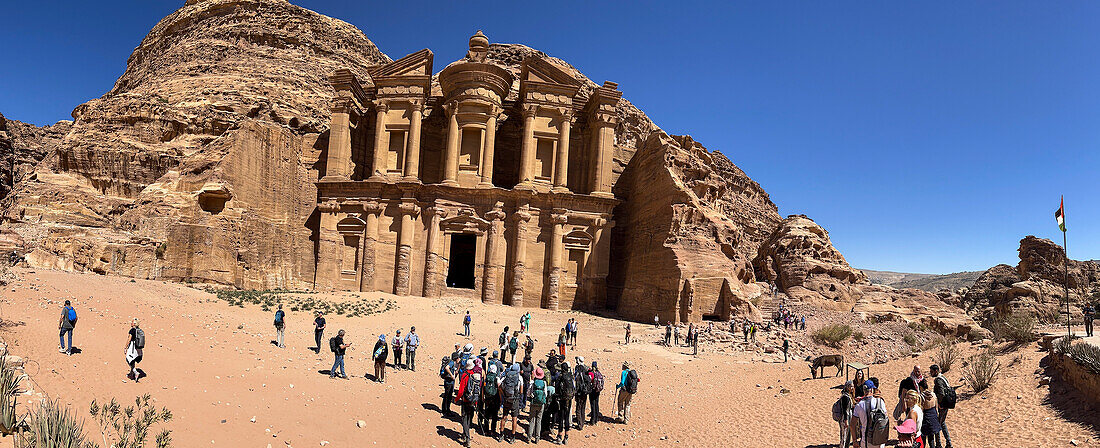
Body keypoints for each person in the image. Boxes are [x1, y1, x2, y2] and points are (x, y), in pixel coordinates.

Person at [850, 379, 887, 448]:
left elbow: (852, 424)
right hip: (879, 439)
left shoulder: (859, 405)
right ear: (871, 390)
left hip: (866, 441)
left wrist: (855, 441)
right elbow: (885, 418)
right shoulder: (880, 402)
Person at [930, 365, 954, 448]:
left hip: (943, 405)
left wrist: (940, 404)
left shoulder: (938, 380)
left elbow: (941, 393)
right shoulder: (943, 377)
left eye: (932, 372)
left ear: (936, 371)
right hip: (947, 404)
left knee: (937, 425)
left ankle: (938, 444)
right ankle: (948, 443)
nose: (931, 373)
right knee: (942, 423)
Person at [456, 360, 479, 447]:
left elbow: (461, 390)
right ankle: (465, 433)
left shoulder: (465, 375)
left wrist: (457, 399)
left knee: (464, 418)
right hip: (473, 400)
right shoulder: (475, 375)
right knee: (469, 417)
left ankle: (467, 438)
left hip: (466, 400)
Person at [499, 363, 524, 443]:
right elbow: (521, 391)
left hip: (506, 399)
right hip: (515, 400)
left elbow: (499, 386)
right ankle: (512, 436)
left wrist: (504, 395)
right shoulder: (519, 378)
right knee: (514, 418)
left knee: (504, 416)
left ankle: (501, 435)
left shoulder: (506, 376)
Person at [553, 361, 574, 444]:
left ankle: (559, 436)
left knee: (561, 418)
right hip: (569, 399)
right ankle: (566, 438)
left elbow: (557, 388)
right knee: (567, 417)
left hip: (562, 399)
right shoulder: (570, 376)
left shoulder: (561, 376)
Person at [527, 367, 548, 444]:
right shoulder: (544, 383)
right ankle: (537, 438)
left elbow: (528, 393)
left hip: (533, 403)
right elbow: (545, 394)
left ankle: (529, 437)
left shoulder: (533, 383)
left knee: (532, 420)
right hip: (541, 404)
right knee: (539, 421)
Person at [919, 380, 941, 447]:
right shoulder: (933, 394)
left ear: (921, 387)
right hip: (933, 416)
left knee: (923, 439)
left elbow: (921, 409)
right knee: (931, 439)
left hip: (925, 418)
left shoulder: (921, 397)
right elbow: (936, 406)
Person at [837, 380, 855, 448]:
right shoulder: (845, 397)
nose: (852, 388)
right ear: (847, 387)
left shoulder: (848, 396)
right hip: (845, 418)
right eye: (850, 386)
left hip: (848, 417)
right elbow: (845, 410)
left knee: (847, 436)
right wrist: (846, 421)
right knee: (844, 436)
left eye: (853, 386)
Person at [573, 357, 589, 431]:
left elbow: (577, 386)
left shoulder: (578, 376)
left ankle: (580, 424)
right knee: (583, 408)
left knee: (578, 408)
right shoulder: (585, 375)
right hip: (585, 393)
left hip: (579, 393)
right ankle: (582, 422)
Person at [442, 353, 458, 417]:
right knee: (448, 396)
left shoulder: (452, 362)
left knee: (447, 396)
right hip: (449, 382)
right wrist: (452, 376)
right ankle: (446, 411)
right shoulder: (451, 363)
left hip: (448, 382)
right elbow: (447, 368)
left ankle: (445, 410)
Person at [588, 361, 604, 426]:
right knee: (596, 404)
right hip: (598, 390)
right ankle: (596, 418)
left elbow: (590, 380)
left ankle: (593, 420)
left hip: (592, 390)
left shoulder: (591, 373)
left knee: (592, 404)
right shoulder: (599, 373)